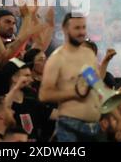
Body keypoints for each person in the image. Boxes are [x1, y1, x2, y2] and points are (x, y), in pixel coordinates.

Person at [39, 13, 102, 142]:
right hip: (70, 126)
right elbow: (44, 95)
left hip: (94, 127)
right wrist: (75, 92)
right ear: (65, 29)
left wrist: (118, 120)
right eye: (77, 28)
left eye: (84, 27)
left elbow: (97, 86)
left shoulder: (89, 54)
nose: (82, 32)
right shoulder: (57, 58)